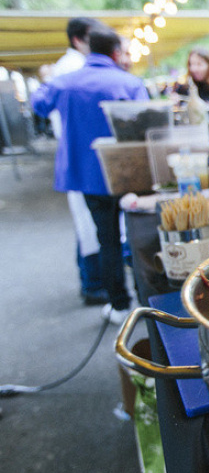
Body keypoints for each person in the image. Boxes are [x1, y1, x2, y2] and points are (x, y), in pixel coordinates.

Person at [31, 25, 150, 324]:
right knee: (138, 236)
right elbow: (148, 126)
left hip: (89, 176)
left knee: (106, 239)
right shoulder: (130, 82)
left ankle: (120, 306)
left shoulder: (65, 82)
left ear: (87, 48)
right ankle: (147, 300)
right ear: (115, 52)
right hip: (130, 173)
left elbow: (39, 104)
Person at [48, 17, 107, 306]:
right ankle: (93, 284)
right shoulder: (72, 69)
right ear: (79, 39)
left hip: (81, 157)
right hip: (85, 157)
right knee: (92, 225)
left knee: (89, 225)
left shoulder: (72, 68)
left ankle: (93, 281)